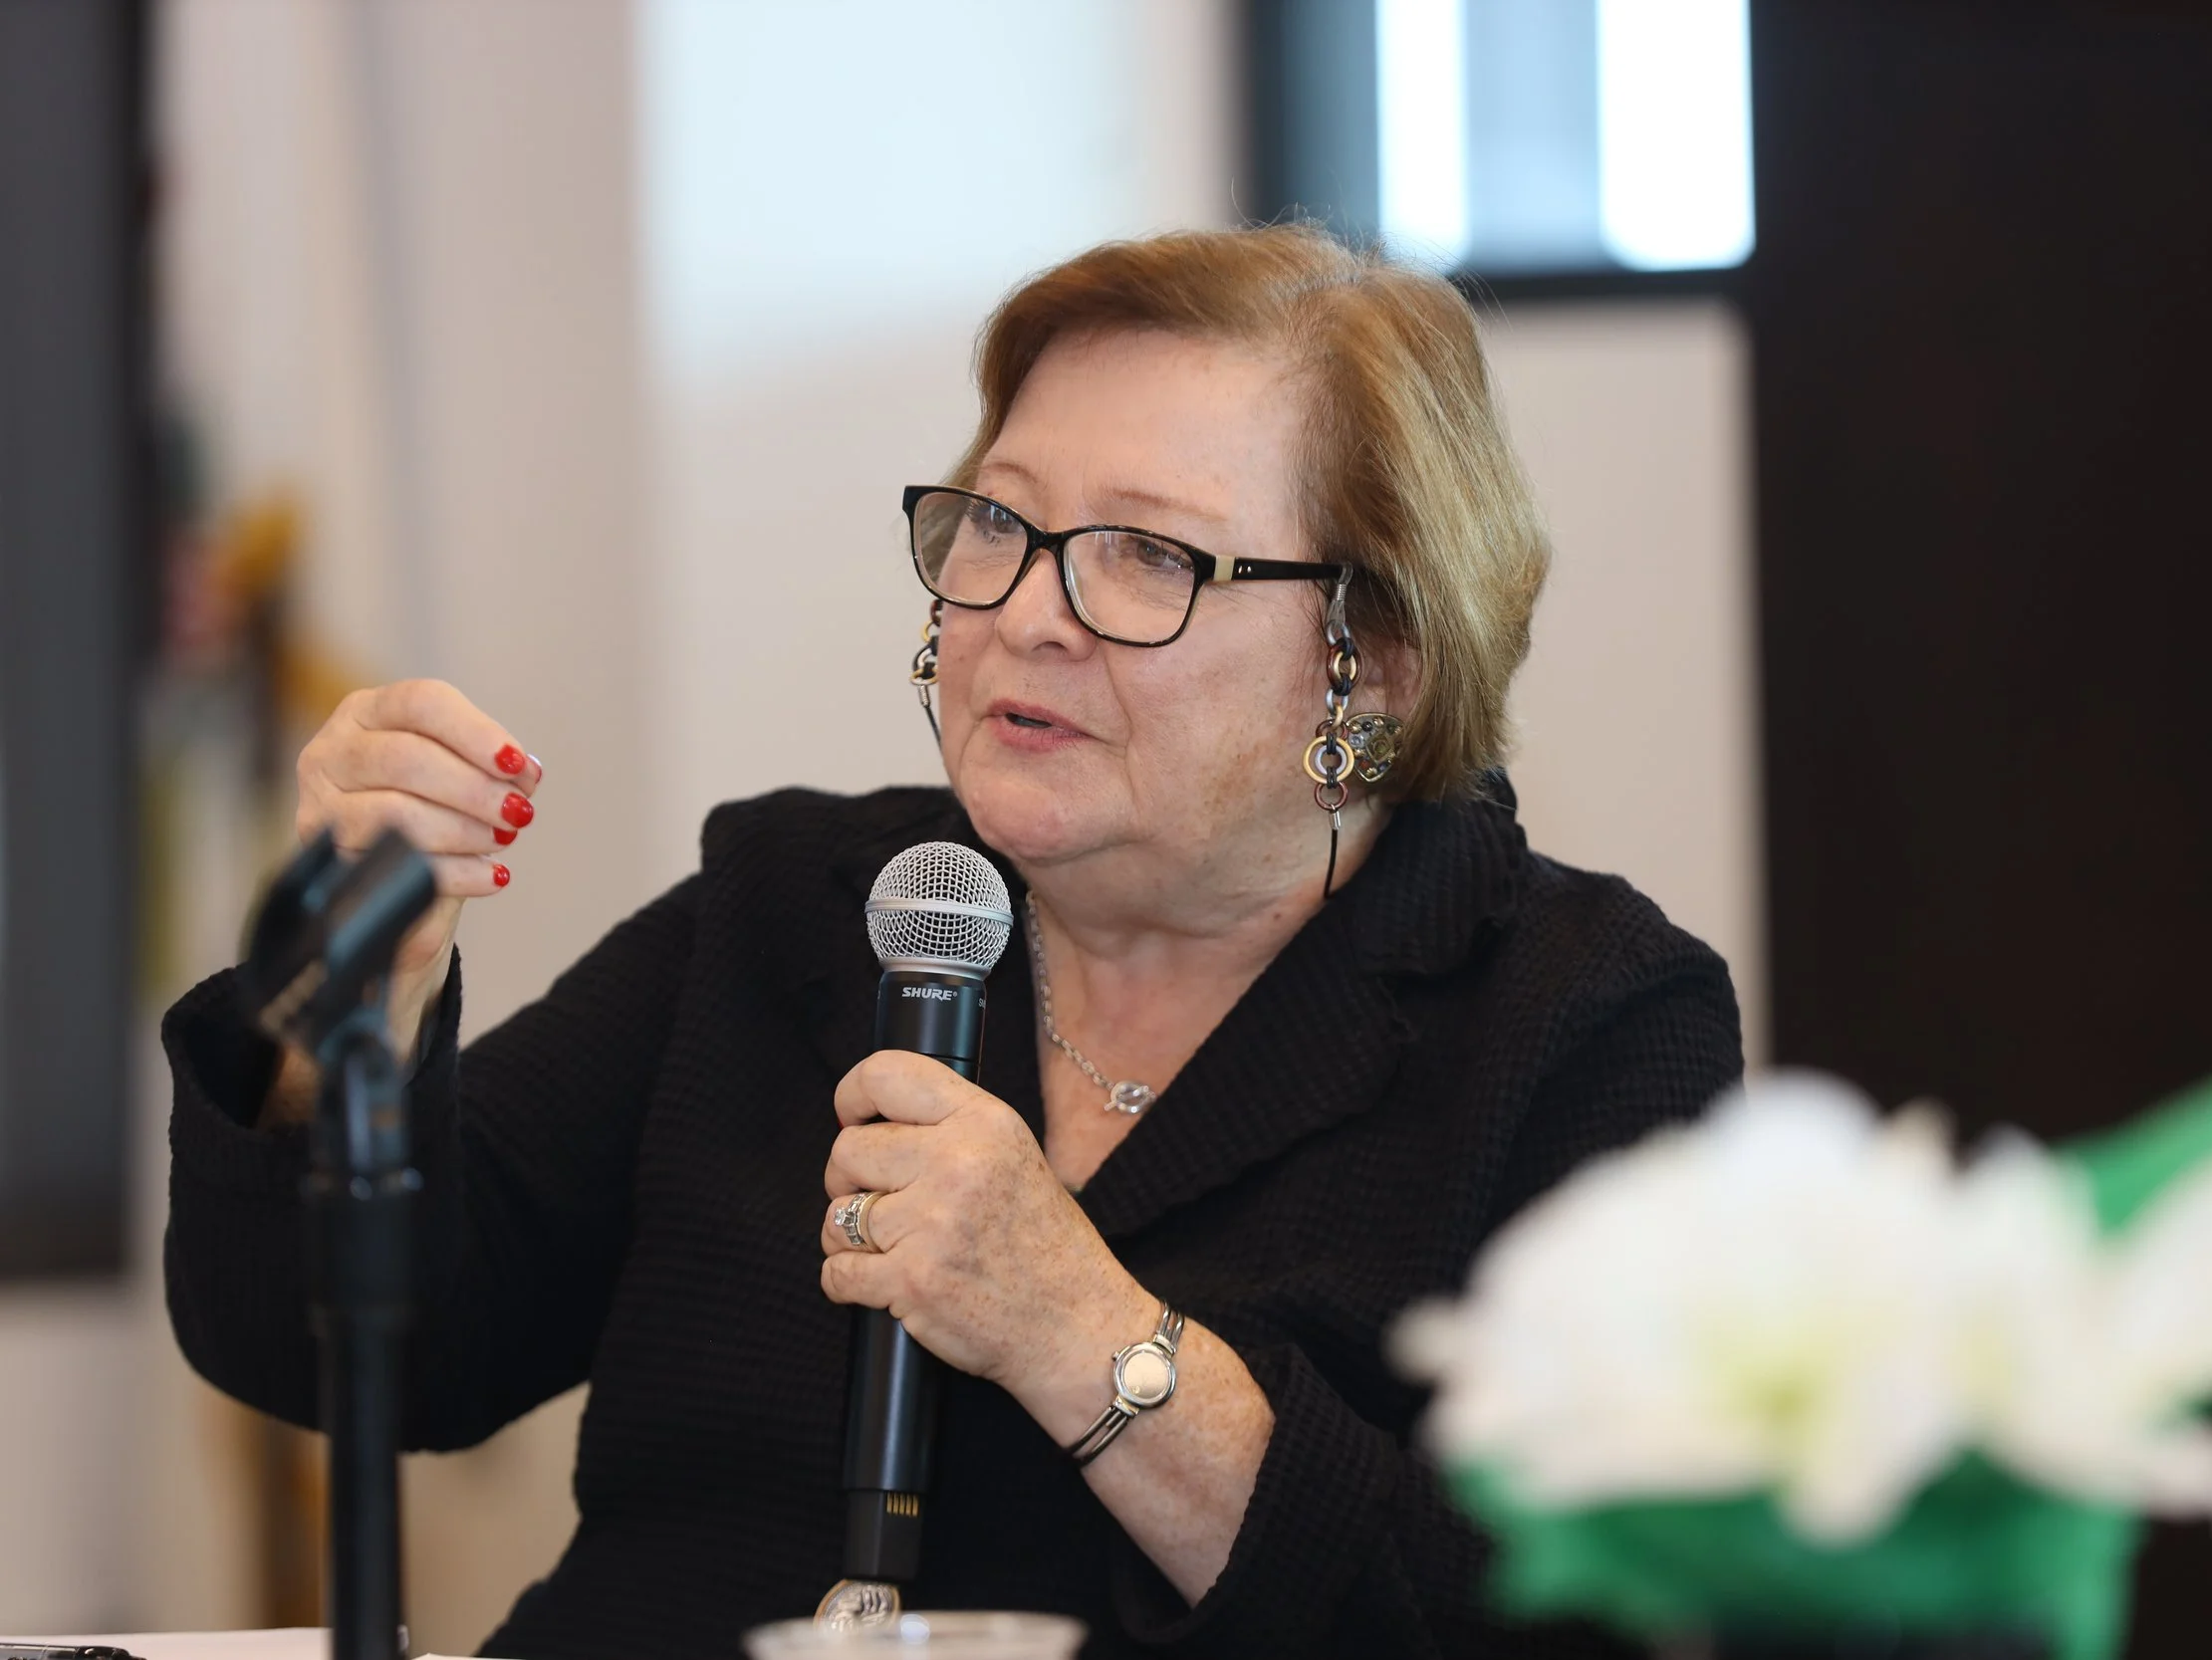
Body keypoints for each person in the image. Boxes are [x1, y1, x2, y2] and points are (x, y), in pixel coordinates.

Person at [161, 224, 1742, 1660]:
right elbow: (353, 1346)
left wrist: (1079, 1328)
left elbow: (1575, 1626)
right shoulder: (790, 904)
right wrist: (346, 1015)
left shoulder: (1581, 1024)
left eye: (1150, 554)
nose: (1028, 612)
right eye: (1001, 521)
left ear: (1375, 656)